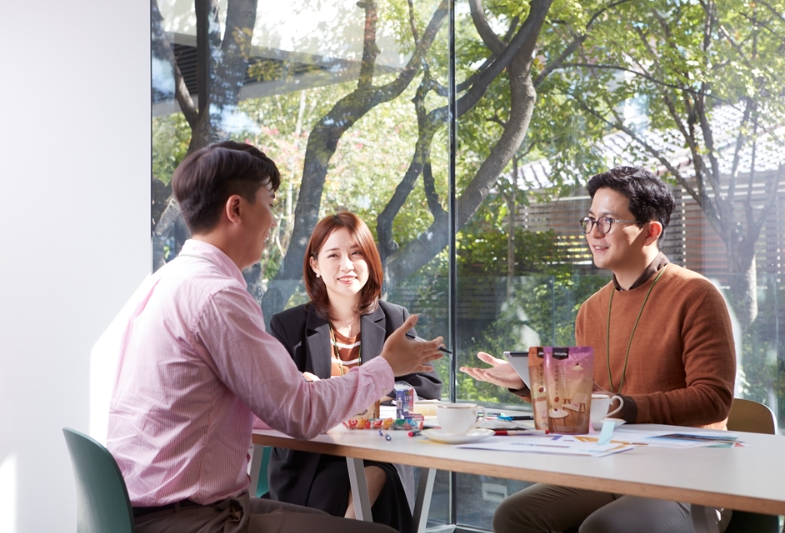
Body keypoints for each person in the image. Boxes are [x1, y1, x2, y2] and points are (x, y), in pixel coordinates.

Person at [106, 141, 444, 533]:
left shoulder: (163, 281)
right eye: (269, 204)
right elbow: (302, 414)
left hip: (151, 507)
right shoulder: (218, 297)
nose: (272, 221)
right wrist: (386, 367)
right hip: (195, 518)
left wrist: (290, 390)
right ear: (236, 209)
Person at [460, 166, 736, 533]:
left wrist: (624, 407)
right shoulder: (591, 309)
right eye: (590, 220)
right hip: (613, 463)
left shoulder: (696, 295)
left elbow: (714, 399)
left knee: (604, 527)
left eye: (608, 221)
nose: (594, 233)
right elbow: (587, 402)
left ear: (651, 231)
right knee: (513, 514)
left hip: (691, 475)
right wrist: (527, 382)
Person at [266, 211, 442, 532]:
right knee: (370, 480)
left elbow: (428, 390)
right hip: (312, 462)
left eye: (356, 253)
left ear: (370, 260)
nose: (347, 265)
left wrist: (363, 399)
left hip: (380, 451)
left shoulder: (394, 319)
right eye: (334, 255)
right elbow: (280, 400)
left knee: (377, 473)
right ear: (315, 265)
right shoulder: (288, 326)